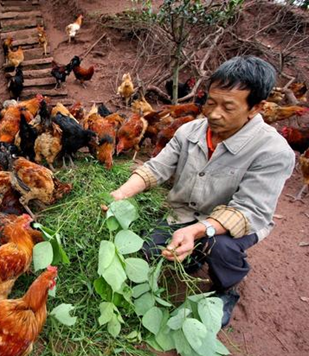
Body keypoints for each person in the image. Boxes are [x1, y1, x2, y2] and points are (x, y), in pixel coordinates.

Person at [111, 56, 295, 327]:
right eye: (210, 102)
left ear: (256, 108)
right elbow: (156, 168)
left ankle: (226, 289)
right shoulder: (190, 131)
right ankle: (193, 254)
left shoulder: (273, 151)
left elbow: (247, 210)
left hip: (237, 223)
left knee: (218, 246)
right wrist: (120, 194)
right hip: (184, 213)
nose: (214, 113)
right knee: (147, 249)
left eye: (228, 107)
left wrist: (197, 230)